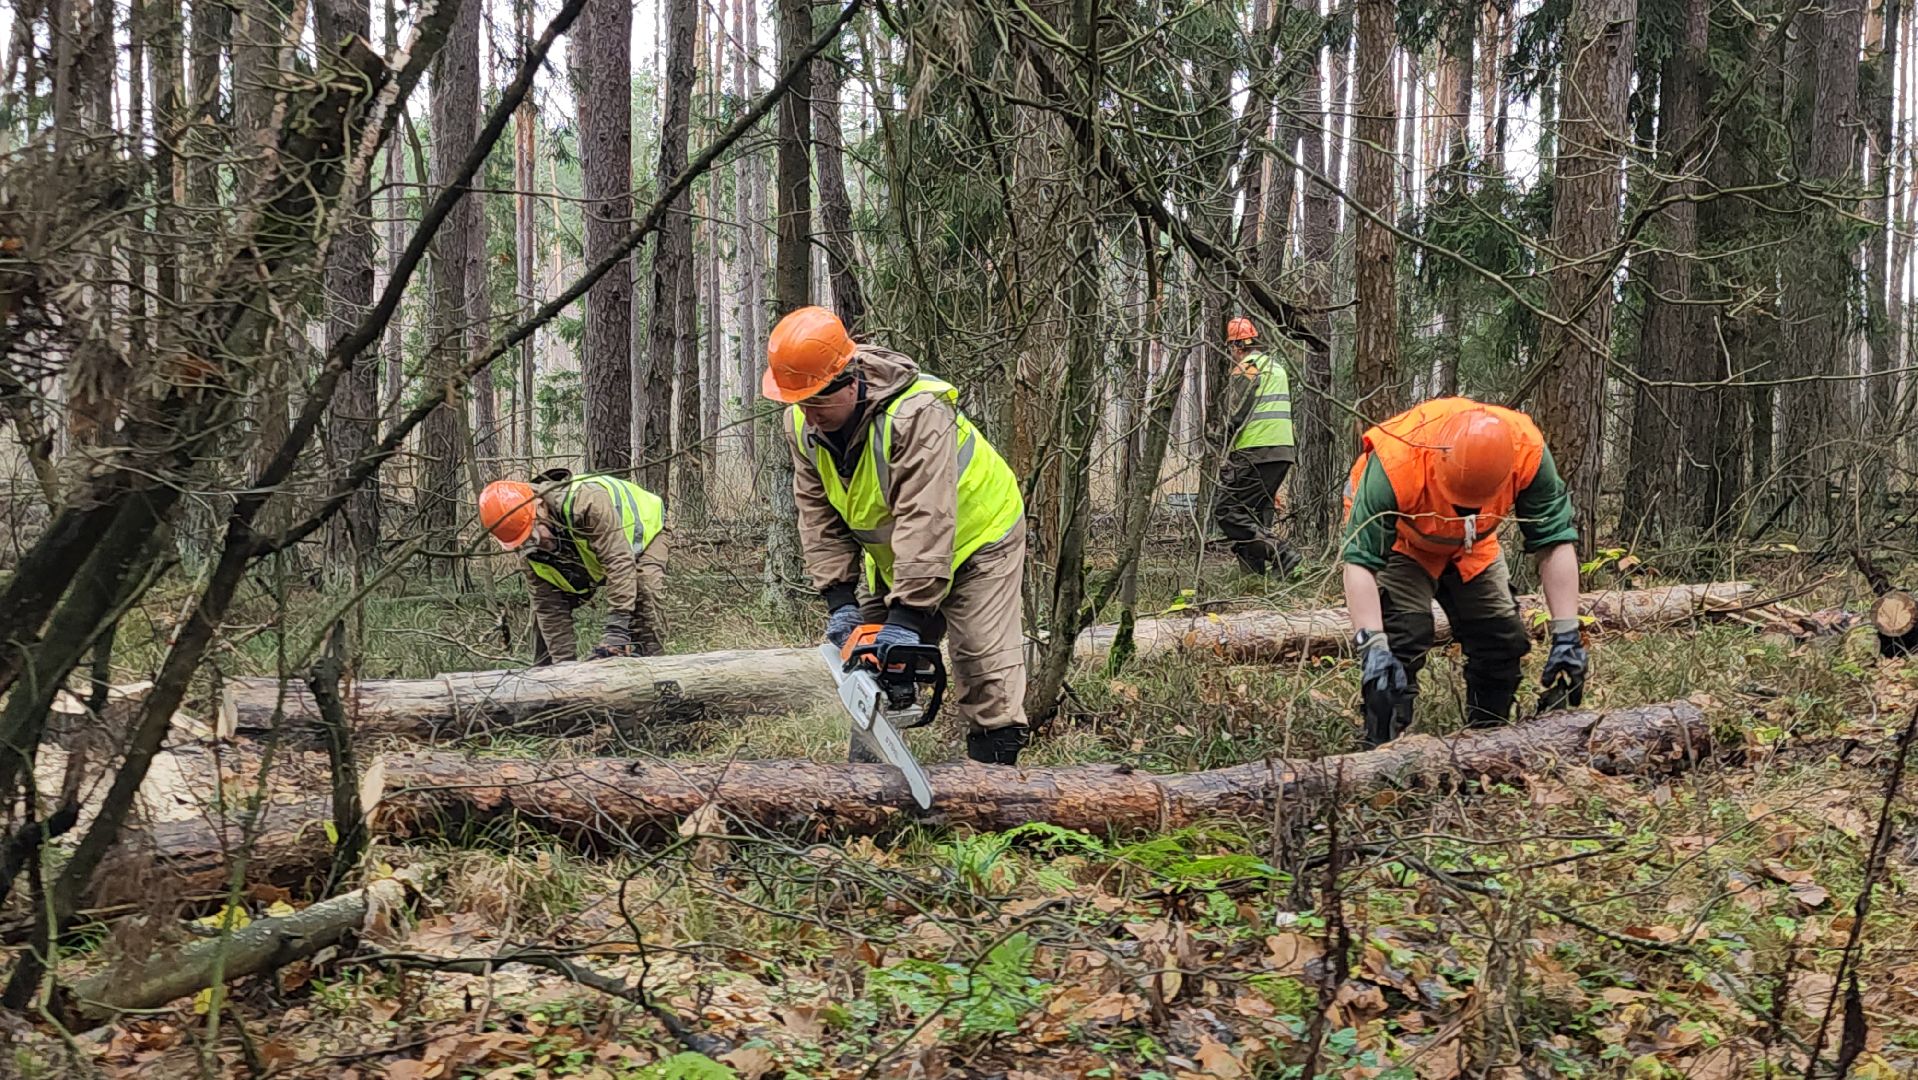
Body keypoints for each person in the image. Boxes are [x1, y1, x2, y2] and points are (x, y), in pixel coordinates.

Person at [764, 306, 1032, 765]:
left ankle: (995, 790)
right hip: (901, 550)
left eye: (816, 402)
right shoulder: (802, 425)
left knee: (983, 666)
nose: (808, 415)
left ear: (849, 382)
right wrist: (841, 602)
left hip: (979, 538)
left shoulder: (918, 412)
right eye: (800, 403)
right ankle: (865, 781)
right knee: (869, 659)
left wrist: (906, 621)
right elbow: (817, 514)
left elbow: (926, 517)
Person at [1339, 397, 1588, 747]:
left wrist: (1567, 634)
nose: (1462, 508)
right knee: (1403, 637)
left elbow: (1554, 541)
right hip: (1403, 541)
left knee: (1501, 637)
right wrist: (1373, 648)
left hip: (1474, 542)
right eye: (1459, 501)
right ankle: (1383, 748)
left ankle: (1488, 741)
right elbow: (1360, 561)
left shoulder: (1527, 451)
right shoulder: (1397, 460)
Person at [480, 470, 669, 663]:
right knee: (544, 626)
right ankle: (545, 679)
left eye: (534, 536)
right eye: (524, 543)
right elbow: (548, 605)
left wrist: (616, 631)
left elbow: (618, 562)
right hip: (591, 556)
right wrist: (564, 667)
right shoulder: (529, 548)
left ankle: (657, 674)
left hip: (644, 534)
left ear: (540, 505)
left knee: (646, 591)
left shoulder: (587, 502)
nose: (536, 544)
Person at [1214, 316, 1300, 577]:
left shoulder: (1248, 368)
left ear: (1236, 347)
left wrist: (1221, 445)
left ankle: (1282, 553)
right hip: (1282, 452)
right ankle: (1256, 578)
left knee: (1227, 510)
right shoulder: (1277, 368)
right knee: (1254, 513)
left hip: (1256, 450)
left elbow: (1236, 414)